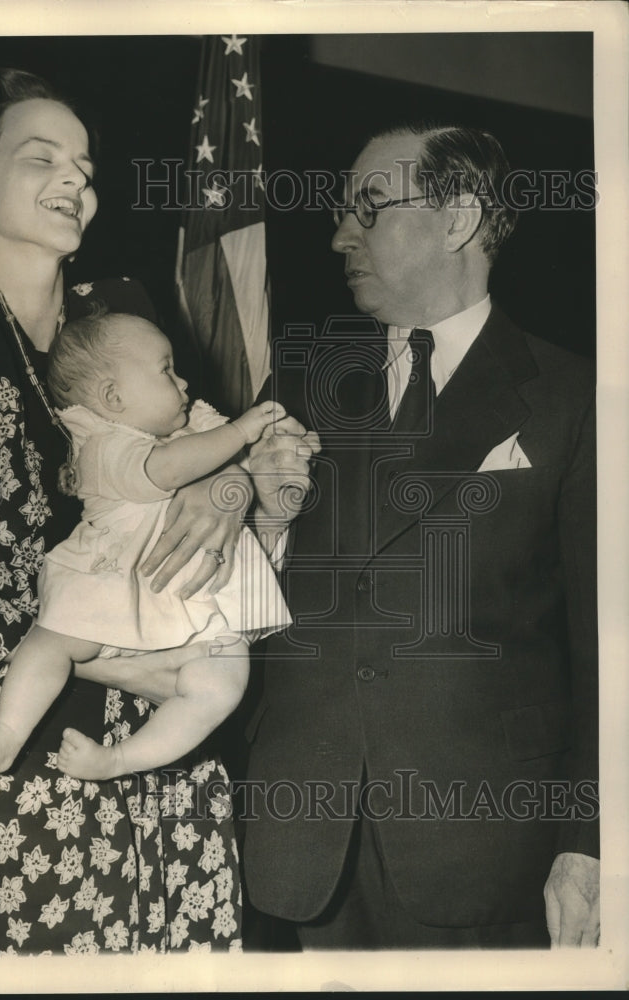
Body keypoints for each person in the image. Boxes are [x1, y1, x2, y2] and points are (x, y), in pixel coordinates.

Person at [0, 67, 255, 954]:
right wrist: (107, 660)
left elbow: (202, 449)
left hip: (175, 745)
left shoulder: (120, 308)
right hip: (36, 746)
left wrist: (225, 486)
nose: (74, 182)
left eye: (84, 166)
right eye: (40, 158)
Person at [243, 122, 598, 949]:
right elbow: (234, 592)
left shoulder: (576, 401)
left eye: (367, 208)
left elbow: (608, 653)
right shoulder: (299, 381)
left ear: (458, 218)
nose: (339, 236)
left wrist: (588, 842)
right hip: (304, 841)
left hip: (486, 847)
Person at [0, 309, 294, 780]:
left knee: (224, 683)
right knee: (51, 642)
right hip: (113, 588)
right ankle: (8, 732)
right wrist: (240, 434)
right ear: (113, 397)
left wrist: (274, 445)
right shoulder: (103, 447)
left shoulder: (190, 431)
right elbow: (165, 469)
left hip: (191, 605)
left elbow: (235, 462)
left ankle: (121, 759)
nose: (183, 382)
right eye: (167, 370)